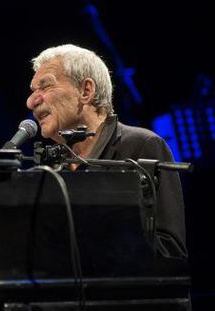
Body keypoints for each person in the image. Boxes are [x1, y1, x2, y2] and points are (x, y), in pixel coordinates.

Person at [26, 44, 187, 259]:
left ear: (86, 91)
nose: (31, 101)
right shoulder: (50, 168)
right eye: (32, 91)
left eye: (44, 87)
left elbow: (171, 251)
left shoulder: (142, 146)